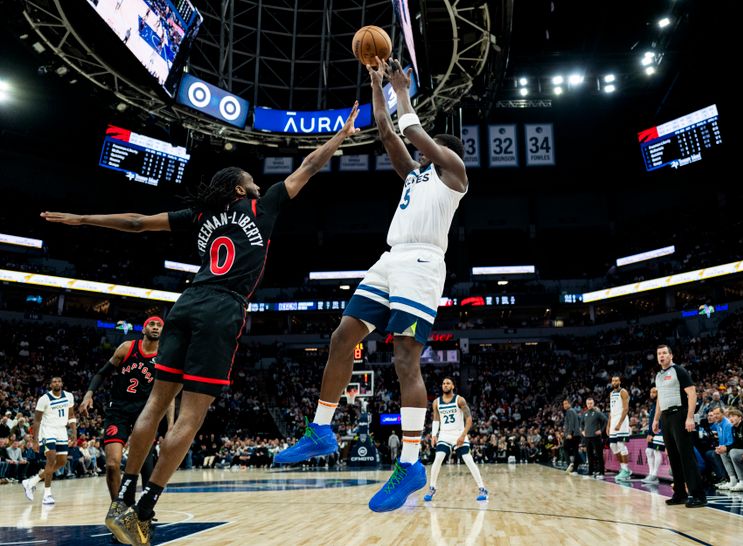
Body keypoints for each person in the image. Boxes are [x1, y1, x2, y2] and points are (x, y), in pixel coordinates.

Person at [41, 103, 361, 545]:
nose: (256, 182)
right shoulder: (262, 205)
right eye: (250, 178)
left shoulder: (201, 217)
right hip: (223, 307)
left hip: (186, 301)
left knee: (155, 406)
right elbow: (309, 164)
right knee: (189, 417)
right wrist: (340, 135)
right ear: (238, 187)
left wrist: (81, 219)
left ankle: (123, 498)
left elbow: (136, 223)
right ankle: (145, 509)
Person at [274, 58, 468, 513]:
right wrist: (377, 85)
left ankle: (410, 463)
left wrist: (405, 91)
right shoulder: (416, 177)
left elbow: (415, 134)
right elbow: (387, 130)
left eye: (429, 149)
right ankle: (321, 429)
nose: (421, 152)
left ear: (442, 151)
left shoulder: (454, 174)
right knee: (342, 335)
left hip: (422, 263)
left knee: (405, 358)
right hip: (390, 258)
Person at [79, 316, 175, 501]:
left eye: (159, 325)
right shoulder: (127, 347)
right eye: (151, 324)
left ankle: (144, 508)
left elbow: (168, 395)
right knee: (112, 465)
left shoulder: (165, 357)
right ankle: (118, 507)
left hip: (145, 413)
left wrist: (170, 425)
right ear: (143, 329)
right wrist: (88, 394)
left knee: (145, 461)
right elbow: (102, 373)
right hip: (118, 410)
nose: (155, 328)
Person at [653, 345, 706, 507]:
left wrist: (690, 417)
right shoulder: (658, 375)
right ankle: (680, 494)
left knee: (686, 456)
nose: (661, 356)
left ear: (671, 355)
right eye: (659, 354)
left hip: (680, 414)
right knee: (673, 457)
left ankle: (698, 496)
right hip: (666, 418)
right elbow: (659, 400)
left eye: (664, 353)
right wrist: (656, 420)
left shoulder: (679, 371)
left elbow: (692, 394)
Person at [423, 377, 488, 502]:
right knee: (438, 459)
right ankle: (432, 488)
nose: (445, 385)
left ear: (453, 386)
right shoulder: (437, 402)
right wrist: (434, 435)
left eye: (448, 383)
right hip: (444, 435)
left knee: (468, 460)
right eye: (443, 383)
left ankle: (482, 488)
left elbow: (469, 419)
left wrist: (463, 435)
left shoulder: (460, 400)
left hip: (458, 433)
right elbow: (436, 419)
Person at [22, 377, 76, 505]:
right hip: (48, 431)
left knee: (62, 461)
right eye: (54, 382)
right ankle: (47, 494)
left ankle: (32, 482)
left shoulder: (69, 396)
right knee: (51, 460)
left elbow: (71, 415)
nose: (57, 383)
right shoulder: (44, 399)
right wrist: (35, 440)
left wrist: (74, 432)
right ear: (50, 385)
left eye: (59, 381)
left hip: (62, 430)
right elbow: (37, 420)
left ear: (62, 383)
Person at [607, 375, 631, 481]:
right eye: (613, 380)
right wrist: (609, 425)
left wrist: (619, 423)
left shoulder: (623, 392)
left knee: (621, 444)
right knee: (612, 445)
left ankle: (626, 470)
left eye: (616, 380)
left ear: (620, 381)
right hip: (613, 421)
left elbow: (626, 409)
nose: (614, 382)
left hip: (622, 420)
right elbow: (611, 411)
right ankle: (623, 469)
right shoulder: (611, 393)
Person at [643, 386, 665, 484]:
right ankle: (651, 473)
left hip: (660, 431)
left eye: (654, 392)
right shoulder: (653, 405)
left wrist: (656, 432)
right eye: (651, 392)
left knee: (656, 451)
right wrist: (649, 434)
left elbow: (660, 420)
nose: (652, 394)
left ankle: (655, 475)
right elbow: (652, 421)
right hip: (653, 432)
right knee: (648, 451)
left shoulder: (662, 403)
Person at [581, 397, 606, 479]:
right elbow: (581, 423)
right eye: (588, 403)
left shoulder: (597, 413)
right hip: (587, 437)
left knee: (599, 455)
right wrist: (582, 431)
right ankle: (590, 472)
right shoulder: (584, 413)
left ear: (593, 403)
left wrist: (601, 430)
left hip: (596, 437)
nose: (589, 405)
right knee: (589, 455)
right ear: (586, 404)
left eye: (591, 403)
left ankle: (602, 473)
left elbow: (606, 421)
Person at [562, 399, 582, 475]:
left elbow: (571, 423)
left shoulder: (570, 411)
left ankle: (570, 463)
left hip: (572, 434)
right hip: (576, 434)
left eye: (566, 403)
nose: (565, 405)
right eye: (564, 404)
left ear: (570, 404)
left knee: (565, 447)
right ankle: (575, 469)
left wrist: (569, 433)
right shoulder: (573, 411)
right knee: (575, 451)